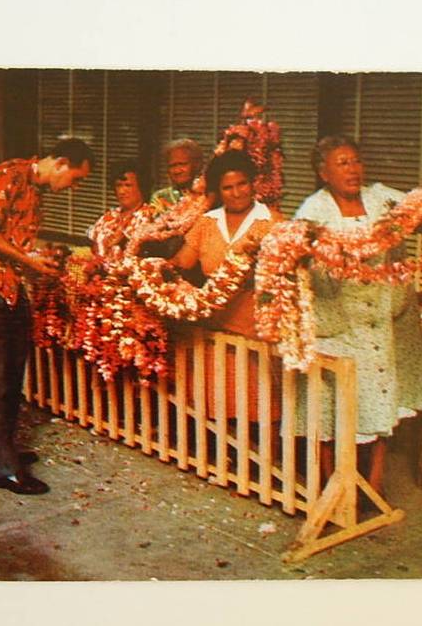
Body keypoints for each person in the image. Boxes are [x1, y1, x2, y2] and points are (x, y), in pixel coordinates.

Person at [294, 135, 422, 495]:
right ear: (323, 172)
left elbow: (418, 219)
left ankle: (372, 488)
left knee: (381, 401)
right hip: (339, 325)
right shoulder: (313, 210)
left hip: (382, 322)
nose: (353, 169)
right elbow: (301, 257)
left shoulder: (381, 197)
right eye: (343, 163)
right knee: (332, 409)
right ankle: (333, 488)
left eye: (356, 161)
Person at [0, 138, 95, 495]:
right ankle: (1, 467)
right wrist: (30, 261)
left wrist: (39, 257)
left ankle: (1, 450)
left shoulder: (34, 189)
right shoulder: (8, 174)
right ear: (60, 162)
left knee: (12, 367)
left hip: (7, 283)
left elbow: (14, 237)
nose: (72, 189)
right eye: (74, 179)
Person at [169, 149, 282, 425]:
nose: (236, 192)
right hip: (215, 322)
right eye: (227, 187)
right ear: (218, 191)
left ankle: (263, 462)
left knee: (259, 405)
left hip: (256, 328)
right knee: (216, 402)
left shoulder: (274, 222)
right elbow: (182, 261)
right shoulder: (208, 222)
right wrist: (149, 267)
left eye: (242, 183)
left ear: (253, 182)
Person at [87, 159, 152, 258]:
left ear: (142, 186)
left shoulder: (149, 216)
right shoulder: (108, 217)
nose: (122, 191)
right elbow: (93, 247)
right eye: (118, 185)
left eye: (128, 185)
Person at [150, 138, 204, 212]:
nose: (177, 171)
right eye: (172, 165)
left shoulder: (207, 194)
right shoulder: (160, 197)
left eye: (182, 164)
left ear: (196, 165)